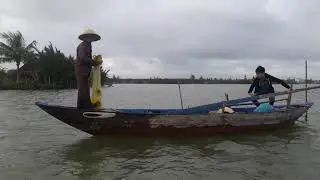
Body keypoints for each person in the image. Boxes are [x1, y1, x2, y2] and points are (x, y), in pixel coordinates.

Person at [75, 28, 102, 109]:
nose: (90, 38)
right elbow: (82, 57)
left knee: (85, 88)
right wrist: (94, 62)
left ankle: (84, 106)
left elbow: (87, 59)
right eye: (88, 36)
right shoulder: (83, 45)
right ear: (85, 37)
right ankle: (84, 107)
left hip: (85, 70)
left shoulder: (89, 45)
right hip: (81, 70)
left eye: (91, 37)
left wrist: (95, 62)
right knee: (83, 89)